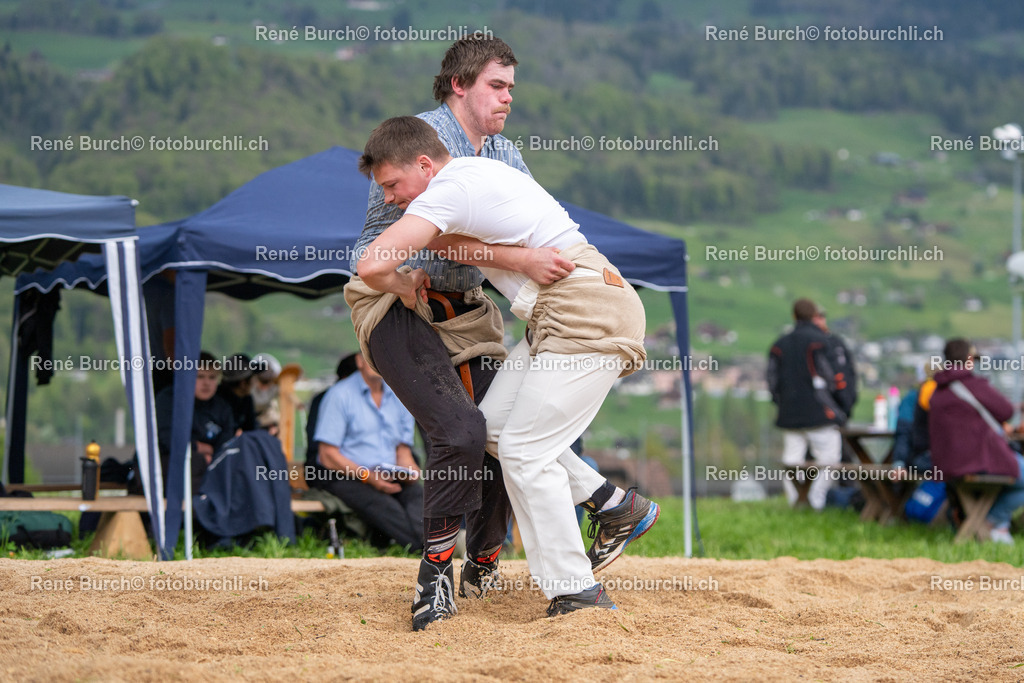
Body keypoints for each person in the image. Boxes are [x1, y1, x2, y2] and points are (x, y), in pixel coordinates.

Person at [344, 35, 655, 630]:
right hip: (463, 305)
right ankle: (605, 511)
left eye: (511, 86)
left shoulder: (485, 165)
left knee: (516, 446)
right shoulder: (422, 150)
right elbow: (404, 249)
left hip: (561, 310)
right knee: (483, 432)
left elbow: (523, 239)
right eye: (498, 85)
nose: (509, 97)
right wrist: (515, 262)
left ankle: (556, 580)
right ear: (460, 85)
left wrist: (519, 262)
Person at [309, 353, 424, 552]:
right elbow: (327, 455)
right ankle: (427, 549)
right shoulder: (339, 395)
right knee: (384, 506)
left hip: (387, 472)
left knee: (418, 496)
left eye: (379, 355)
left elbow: (403, 451)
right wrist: (369, 477)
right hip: (345, 474)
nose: (375, 361)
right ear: (359, 361)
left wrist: (411, 472)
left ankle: (434, 548)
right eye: (369, 356)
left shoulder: (400, 395)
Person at [929, 338, 1024, 544]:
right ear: (969, 359)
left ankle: (994, 524)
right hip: (976, 461)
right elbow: (1006, 411)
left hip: (945, 465)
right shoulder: (973, 385)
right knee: (1021, 473)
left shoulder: (937, 390)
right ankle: (992, 523)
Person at [767, 298, 847, 511]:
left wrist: (781, 402)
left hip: (789, 414)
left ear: (794, 316)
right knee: (829, 459)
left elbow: (772, 382)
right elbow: (833, 378)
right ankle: (815, 500)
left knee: (792, 461)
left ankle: (797, 501)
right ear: (814, 316)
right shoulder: (820, 341)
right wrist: (838, 406)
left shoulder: (779, 345)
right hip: (819, 412)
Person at [154, 351, 237, 493]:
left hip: (209, 467)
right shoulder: (168, 400)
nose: (207, 383)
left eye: (212, 378)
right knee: (197, 465)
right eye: (200, 377)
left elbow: (226, 443)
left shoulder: (222, 407)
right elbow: (171, 441)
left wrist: (203, 450)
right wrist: (202, 450)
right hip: (167, 466)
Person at [217, 353, 258, 432]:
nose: (255, 382)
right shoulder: (218, 401)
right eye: (253, 378)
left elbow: (251, 428)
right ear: (243, 383)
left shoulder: (246, 399)